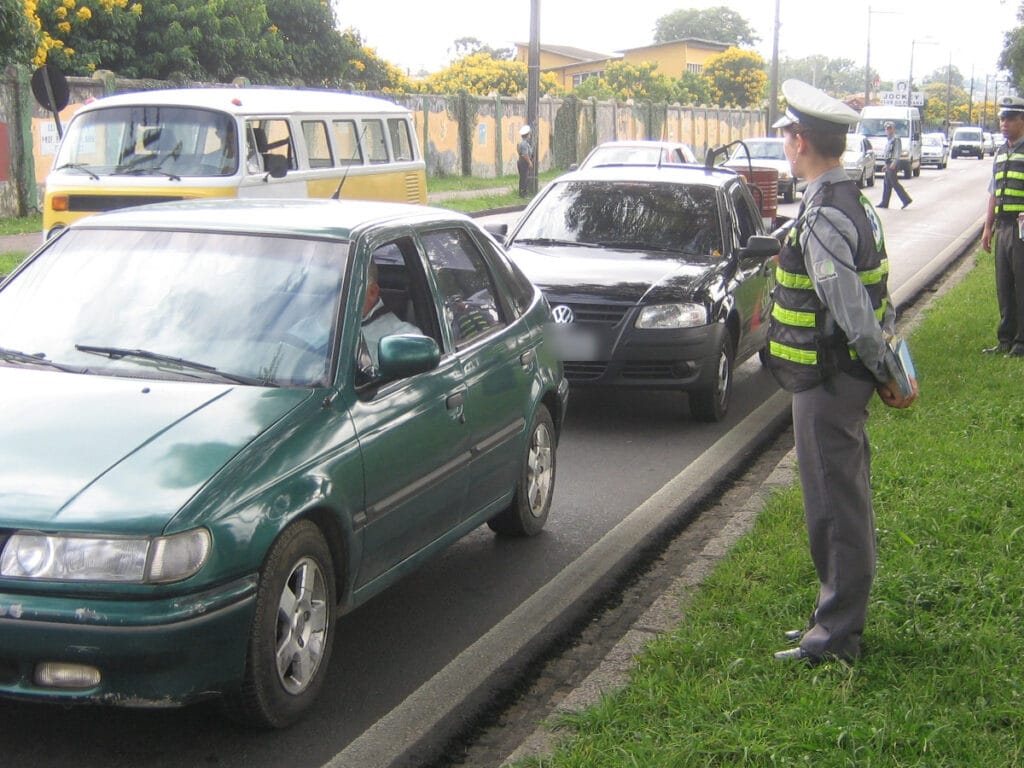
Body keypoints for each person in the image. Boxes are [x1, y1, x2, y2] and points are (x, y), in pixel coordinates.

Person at [767, 79, 918, 665]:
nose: (784, 142)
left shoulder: (827, 210)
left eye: (786, 133)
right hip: (836, 377)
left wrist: (884, 369)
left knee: (834, 505)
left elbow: (851, 304)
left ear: (800, 140)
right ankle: (831, 617)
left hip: (830, 380)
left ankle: (834, 640)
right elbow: (877, 288)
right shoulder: (846, 199)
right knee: (838, 499)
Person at [980, 95, 1024, 357]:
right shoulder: (1001, 152)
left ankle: (1021, 342)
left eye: (1009, 118)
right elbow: (993, 193)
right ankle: (1005, 338)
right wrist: (988, 227)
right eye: (1001, 118)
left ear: (1022, 119)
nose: (1003, 122)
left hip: (1022, 226)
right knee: (1004, 283)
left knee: (1022, 283)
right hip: (1004, 226)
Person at [359, 260, 422, 370]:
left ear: (372, 292)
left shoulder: (402, 337)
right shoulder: (321, 324)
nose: (322, 297)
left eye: (338, 290)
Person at [878, 121, 912, 209]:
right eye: (887, 129)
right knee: (887, 183)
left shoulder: (895, 139)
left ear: (893, 129)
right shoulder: (889, 139)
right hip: (889, 163)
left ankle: (906, 199)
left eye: (890, 128)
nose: (888, 130)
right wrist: (886, 164)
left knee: (894, 183)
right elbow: (889, 152)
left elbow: (897, 152)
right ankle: (884, 202)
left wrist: (894, 163)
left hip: (893, 163)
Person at [517, 125, 533, 198]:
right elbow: (525, 154)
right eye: (529, 134)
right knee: (524, 178)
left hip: (520, 160)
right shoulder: (524, 143)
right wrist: (529, 162)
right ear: (527, 135)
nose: (530, 135)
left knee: (522, 177)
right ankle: (524, 194)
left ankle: (521, 192)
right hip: (524, 162)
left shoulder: (520, 142)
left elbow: (518, 150)